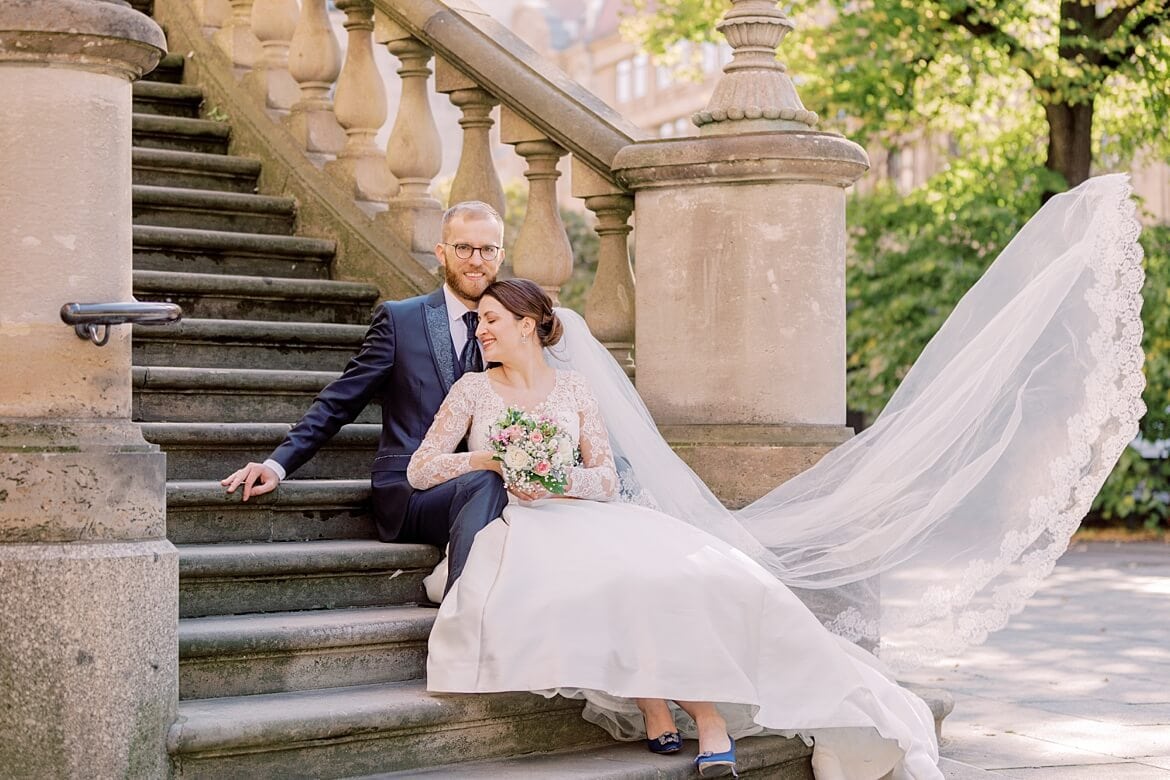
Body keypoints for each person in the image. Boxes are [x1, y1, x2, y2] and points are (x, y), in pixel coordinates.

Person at [407, 173, 1146, 779]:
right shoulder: (473, 391)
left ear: (530, 325)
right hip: (526, 526)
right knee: (620, 585)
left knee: (695, 576)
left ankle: (687, 710)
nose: (482, 331)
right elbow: (421, 469)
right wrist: (495, 460)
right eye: (479, 325)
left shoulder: (571, 392)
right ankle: (693, 715)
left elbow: (602, 475)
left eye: (493, 323)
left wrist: (562, 475)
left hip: (587, 510)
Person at [221, 201, 510, 594]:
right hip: (412, 488)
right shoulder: (400, 320)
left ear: (500, 256)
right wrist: (277, 465)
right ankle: (467, 614)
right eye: (464, 248)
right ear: (441, 252)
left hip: (487, 482)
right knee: (489, 483)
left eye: (487, 250)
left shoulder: (518, 329)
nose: (476, 260)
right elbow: (340, 401)